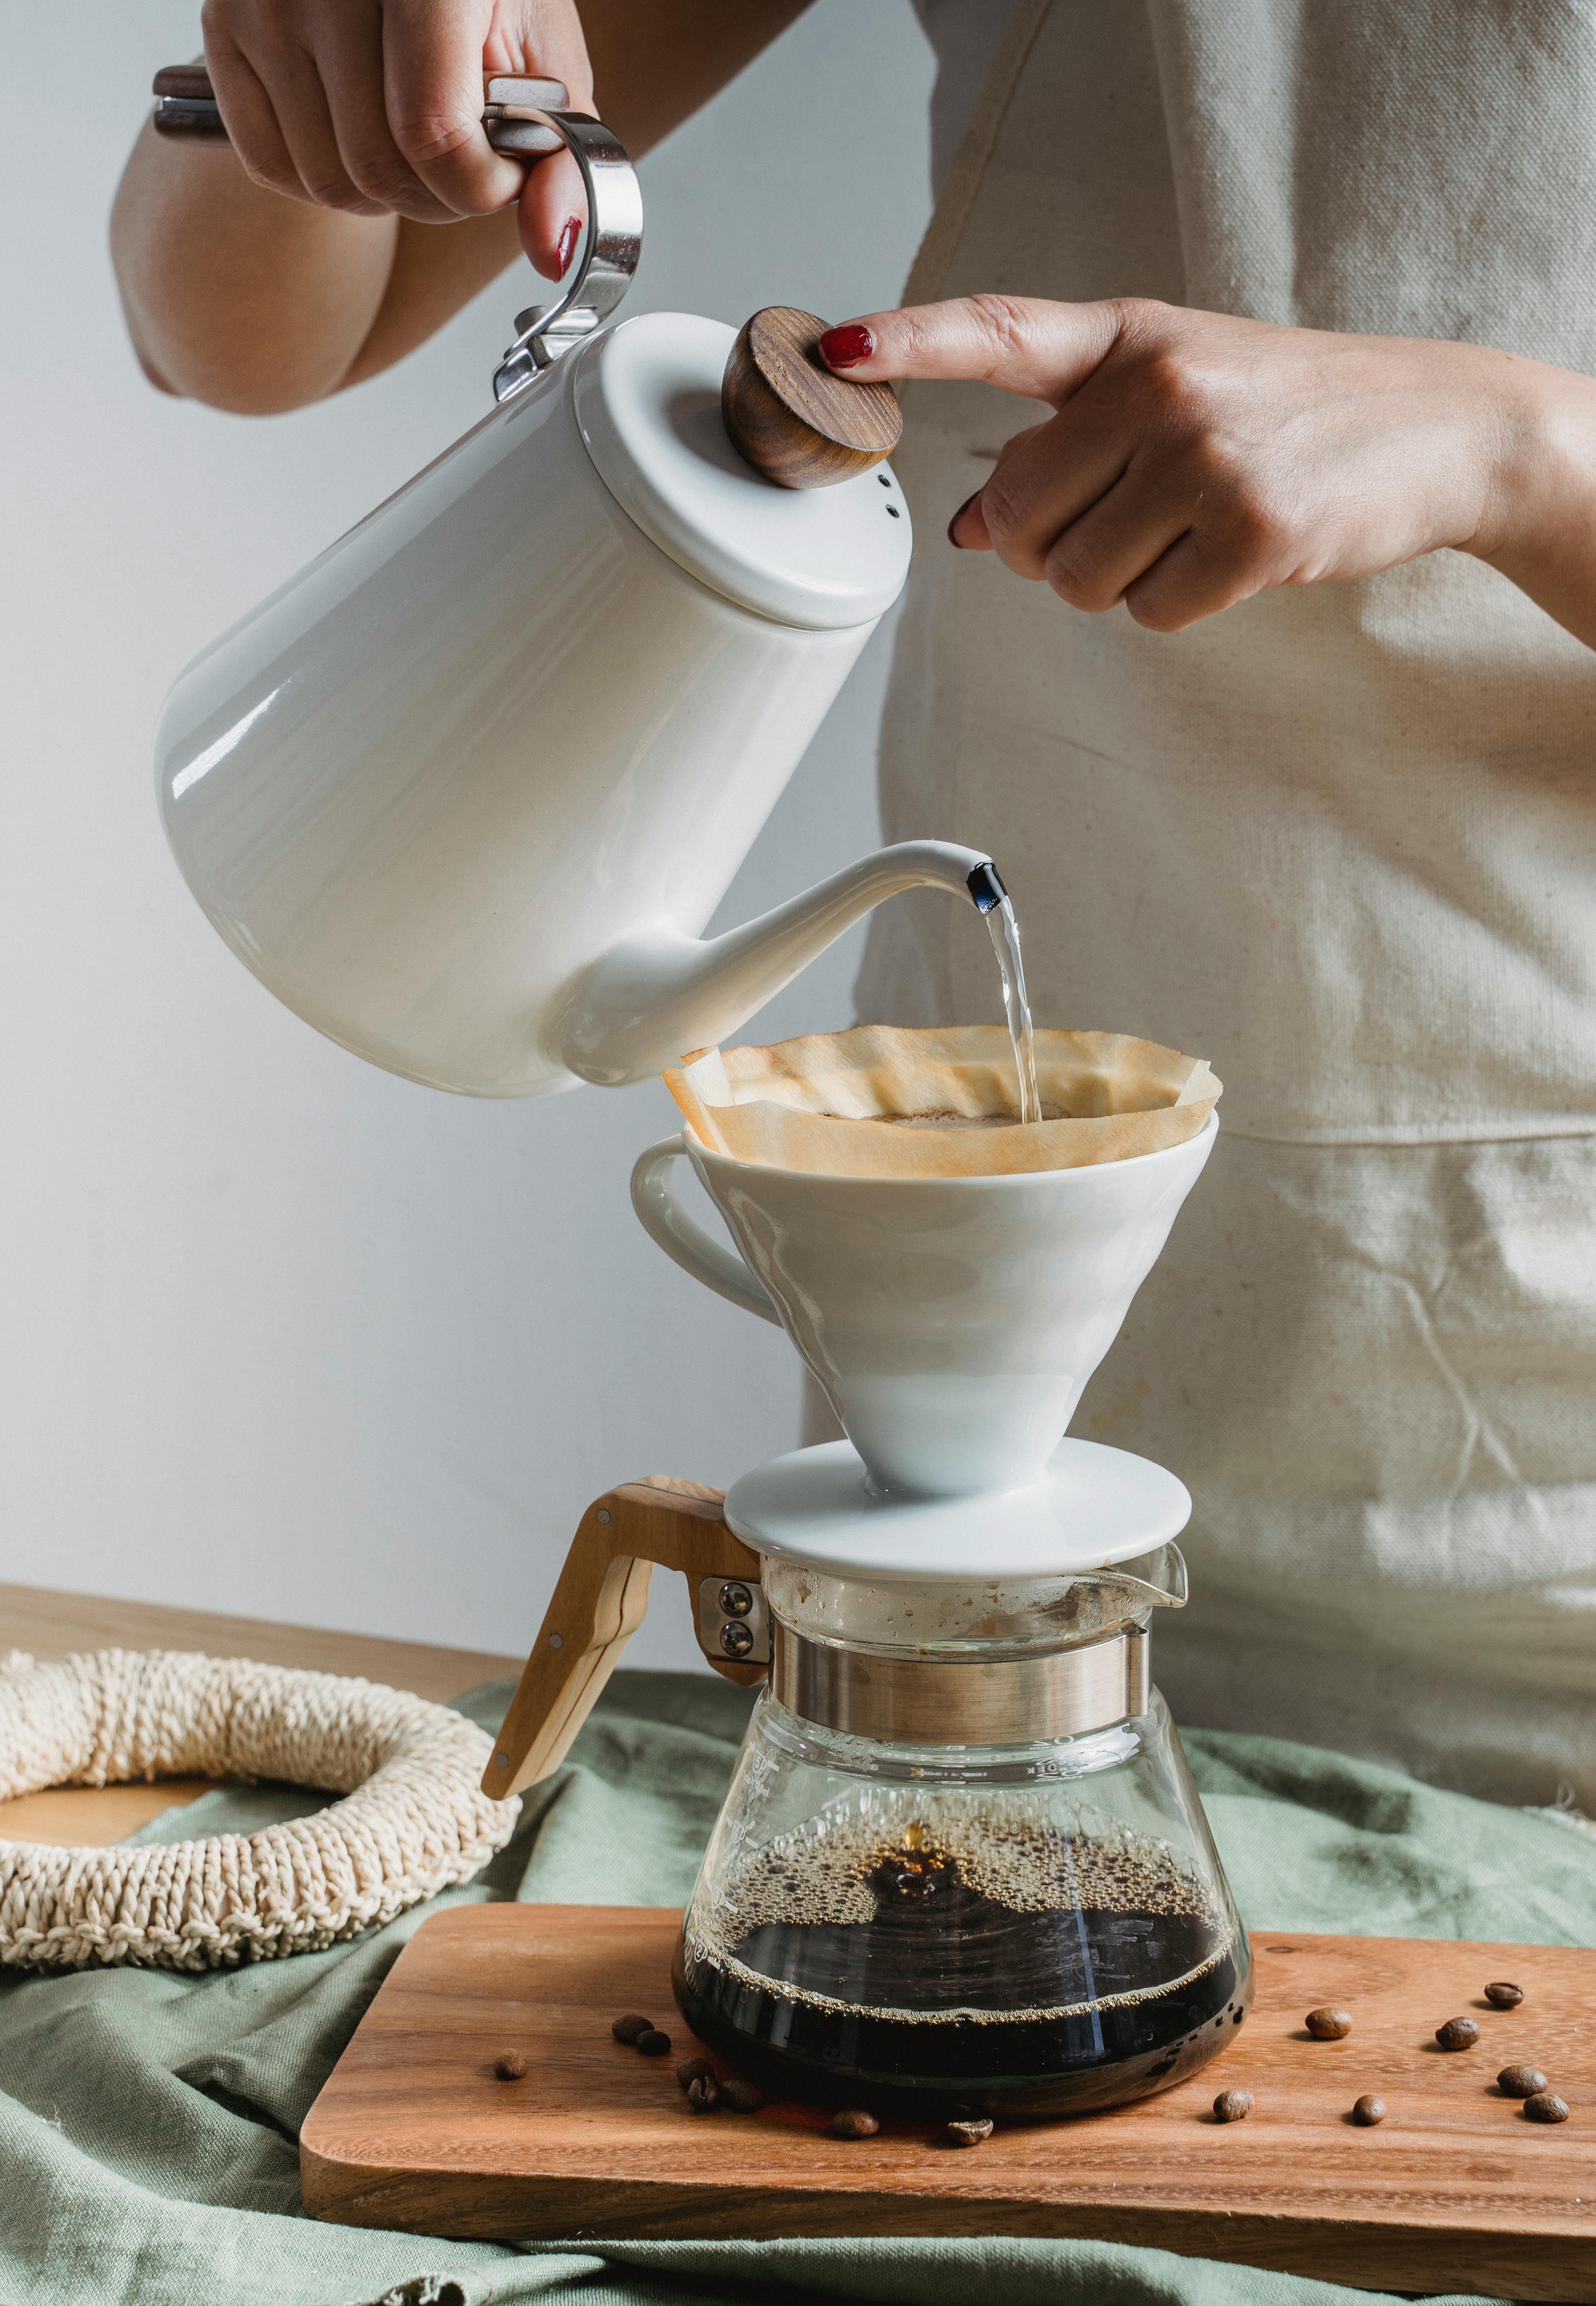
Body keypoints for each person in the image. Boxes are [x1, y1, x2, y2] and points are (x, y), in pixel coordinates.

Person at [113, 0, 1596, 1809]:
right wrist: (326, 76)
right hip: (966, 1352)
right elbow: (243, 322)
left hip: (1544, 1427)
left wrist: (1520, 452)